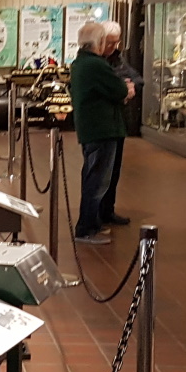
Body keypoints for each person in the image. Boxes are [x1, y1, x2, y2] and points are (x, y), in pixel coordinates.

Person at [69, 21, 131, 245]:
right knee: (97, 181)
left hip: (92, 129)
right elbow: (120, 89)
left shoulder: (79, 63)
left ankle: (93, 223)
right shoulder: (96, 65)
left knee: (93, 177)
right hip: (101, 129)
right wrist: (125, 90)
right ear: (99, 42)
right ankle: (86, 228)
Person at [99, 20, 142, 228]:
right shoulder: (95, 61)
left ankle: (108, 210)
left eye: (116, 42)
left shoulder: (118, 59)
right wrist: (122, 86)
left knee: (114, 170)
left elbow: (138, 79)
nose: (113, 47)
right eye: (110, 42)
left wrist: (131, 85)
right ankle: (96, 212)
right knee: (99, 171)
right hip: (101, 123)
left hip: (118, 121)